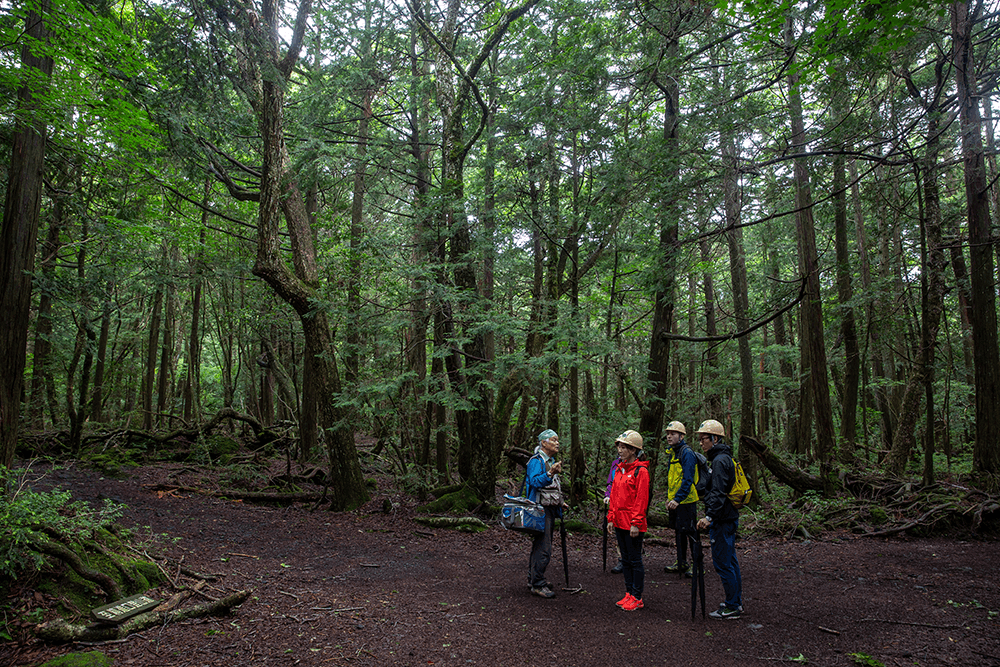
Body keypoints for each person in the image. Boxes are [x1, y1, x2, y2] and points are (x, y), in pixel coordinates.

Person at [695, 419, 743, 619]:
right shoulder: (722, 459)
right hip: (727, 517)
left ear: (715, 439)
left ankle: (732, 605)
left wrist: (709, 516)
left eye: (703, 439)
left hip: (722, 519)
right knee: (730, 561)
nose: (701, 443)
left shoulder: (720, 461)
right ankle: (734, 601)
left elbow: (718, 492)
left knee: (724, 563)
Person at [606, 429, 649, 612]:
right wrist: (610, 518)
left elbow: (641, 499)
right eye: (619, 447)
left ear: (633, 450)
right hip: (619, 522)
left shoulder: (641, 471)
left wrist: (636, 523)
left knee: (634, 559)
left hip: (632, 524)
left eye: (624, 447)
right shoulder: (619, 469)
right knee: (625, 559)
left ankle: (637, 596)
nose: (620, 450)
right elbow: (614, 496)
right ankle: (629, 593)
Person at [526, 429, 563, 598]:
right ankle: (537, 584)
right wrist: (550, 473)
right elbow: (534, 481)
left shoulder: (550, 461)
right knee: (544, 548)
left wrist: (561, 502)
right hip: (540, 510)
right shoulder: (536, 461)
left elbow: (550, 488)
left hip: (549, 508)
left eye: (557, 440)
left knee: (540, 546)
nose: (557, 443)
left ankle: (533, 578)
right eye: (553, 440)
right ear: (543, 443)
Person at [662, 420, 698, 577]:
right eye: (668, 434)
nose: (669, 437)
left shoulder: (687, 453)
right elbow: (673, 479)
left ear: (682, 436)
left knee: (691, 533)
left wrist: (677, 499)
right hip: (676, 501)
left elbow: (688, 480)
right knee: (679, 532)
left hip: (687, 501)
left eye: (673, 434)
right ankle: (681, 562)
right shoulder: (673, 452)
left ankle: (698, 564)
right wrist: (670, 498)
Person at [604, 453, 624, 574]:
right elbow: (611, 482)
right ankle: (621, 559)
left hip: (628, 506)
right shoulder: (615, 464)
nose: (621, 451)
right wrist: (608, 495)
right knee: (618, 533)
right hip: (616, 504)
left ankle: (630, 559)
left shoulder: (637, 467)